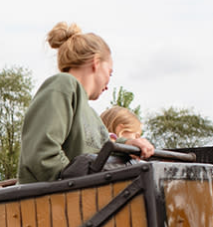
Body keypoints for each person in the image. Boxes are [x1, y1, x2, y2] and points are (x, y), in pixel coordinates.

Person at [18, 22, 154, 184]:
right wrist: (79, 185)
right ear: (96, 62)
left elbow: (101, 150)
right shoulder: (63, 85)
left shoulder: (90, 114)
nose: (108, 83)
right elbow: (42, 152)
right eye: (109, 73)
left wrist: (128, 144)